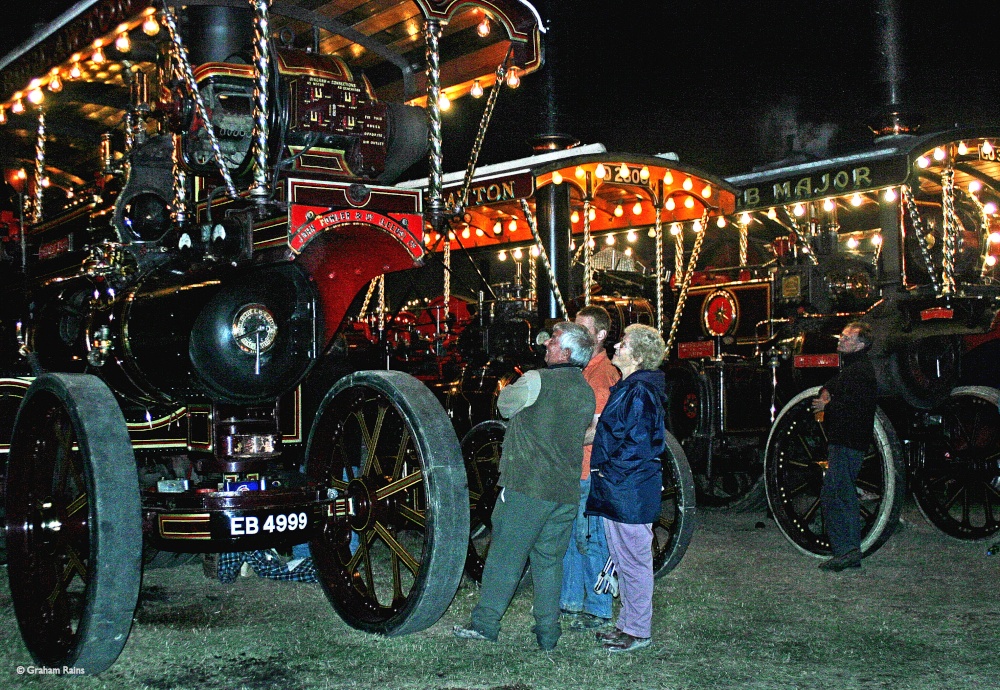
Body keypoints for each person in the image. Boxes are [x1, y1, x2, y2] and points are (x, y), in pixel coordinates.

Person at [453, 321, 597, 650]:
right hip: (565, 492)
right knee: (549, 561)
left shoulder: (536, 380)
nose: (546, 344)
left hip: (526, 488)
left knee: (505, 556)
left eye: (554, 341)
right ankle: (548, 632)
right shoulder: (585, 391)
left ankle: (485, 624)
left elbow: (504, 406)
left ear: (567, 352)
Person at [586, 323, 667, 653]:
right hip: (624, 487)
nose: (617, 347)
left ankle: (638, 631)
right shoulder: (632, 388)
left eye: (624, 343)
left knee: (633, 564)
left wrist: (609, 471)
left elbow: (636, 444)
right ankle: (628, 625)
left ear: (638, 356)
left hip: (628, 488)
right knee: (625, 561)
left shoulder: (639, 392)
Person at [559, 305, 620, 631]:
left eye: (584, 329)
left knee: (591, 540)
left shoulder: (600, 376)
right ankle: (570, 602)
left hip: (590, 472)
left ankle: (598, 609)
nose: (577, 335)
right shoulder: (584, 371)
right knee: (571, 538)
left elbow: (597, 430)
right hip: (576, 472)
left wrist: (557, 439)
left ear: (600, 335)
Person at [811, 321, 877, 572]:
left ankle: (847, 551)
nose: (841, 340)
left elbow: (855, 408)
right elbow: (836, 384)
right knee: (839, 492)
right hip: (847, 441)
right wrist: (826, 391)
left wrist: (826, 406)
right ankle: (847, 551)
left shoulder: (860, 372)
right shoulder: (855, 368)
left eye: (848, 338)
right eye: (842, 335)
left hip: (848, 441)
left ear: (860, 345)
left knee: (838, 494)